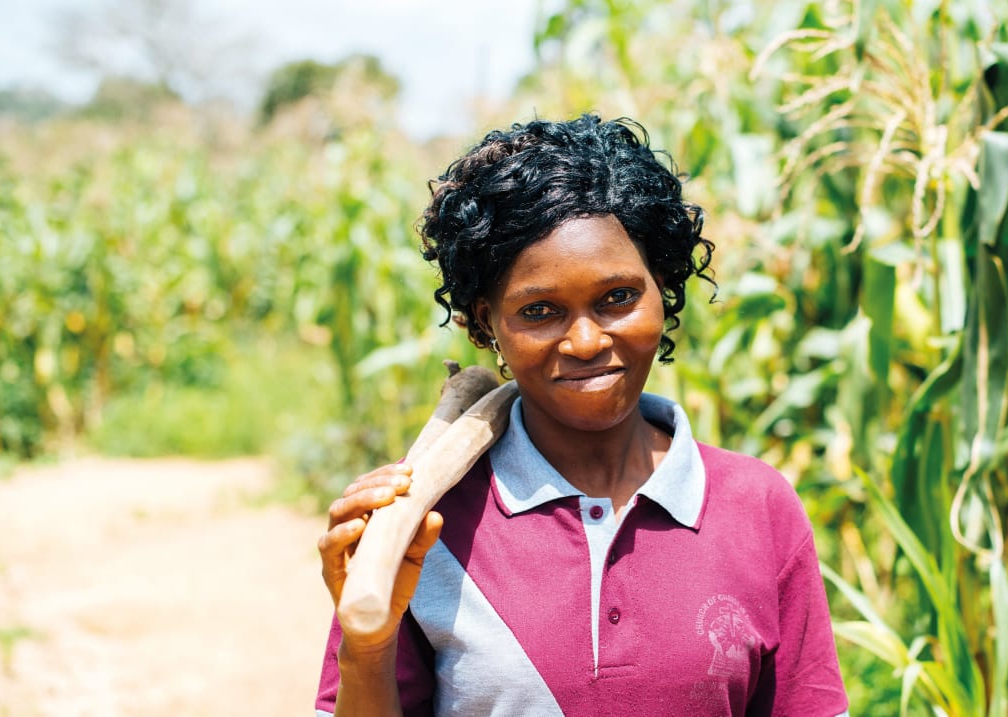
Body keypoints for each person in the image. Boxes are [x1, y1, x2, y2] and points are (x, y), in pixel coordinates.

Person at [314, 114, 850, 716]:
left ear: (664, 288)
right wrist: (367, 644)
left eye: (617, 297)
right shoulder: (420, 525)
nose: (587, 341)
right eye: (540, 311)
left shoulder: (757, 508)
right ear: (486, 324)